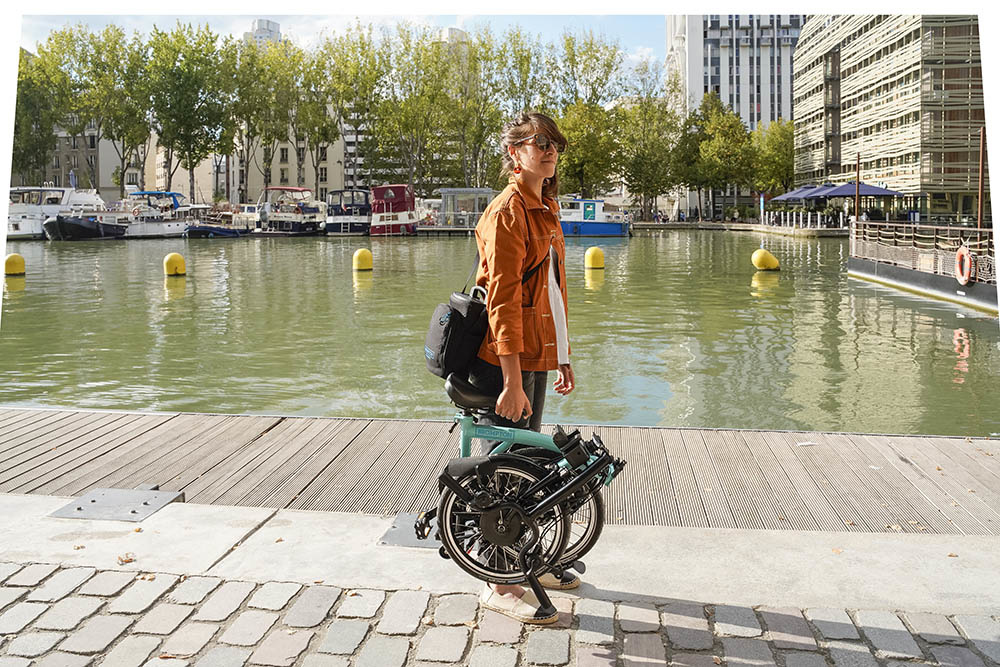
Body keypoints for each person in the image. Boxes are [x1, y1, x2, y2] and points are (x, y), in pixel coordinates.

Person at [467, 111, 576, 624]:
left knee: (528, 468)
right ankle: (498, 581)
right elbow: (504, 303)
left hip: (536, 352)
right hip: (504, 360)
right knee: (501, 471)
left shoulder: (546, 207)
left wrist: (564, 356)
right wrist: (511, 382)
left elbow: (552, 290)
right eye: (537, 143)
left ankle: (529, 559)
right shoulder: (507, 212)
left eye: (553, 142)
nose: (548, 150)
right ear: (515, 153)